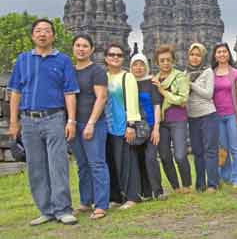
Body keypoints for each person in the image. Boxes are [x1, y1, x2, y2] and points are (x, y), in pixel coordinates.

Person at [8, 19, 79, 225]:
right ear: (32, 36)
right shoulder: (23, 60)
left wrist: (71, 120)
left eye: (47, 31)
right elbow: (15, 92)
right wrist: (14, 122)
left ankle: (63, 209)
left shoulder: (63, 60)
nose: (42, 34)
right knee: (36, 166)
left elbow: (69, 93)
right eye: (38, 31)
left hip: (55, 117)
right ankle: (46, 210)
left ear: (53, 36)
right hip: (28, 119)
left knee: (58, 164)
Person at [71, 34, 110, 220]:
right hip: (74, 123)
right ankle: (86, 201)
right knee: (82, 165)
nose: (81, 49)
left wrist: (91, 123)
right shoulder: (70, 71)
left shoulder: (97, 71)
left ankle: (101, 204)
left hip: (94, 123)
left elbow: (101, 98)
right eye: (78, 45)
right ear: (73, 48)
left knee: (97, 164)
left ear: (92, 50)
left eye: (85, 46)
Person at [105, 43, 143, 209]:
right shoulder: (103, 77)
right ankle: (116, 196)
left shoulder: (127, 77)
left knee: (128, 161)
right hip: (107, 125)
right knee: (111, 162)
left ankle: (132, 196)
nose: (115, 57)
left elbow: (132, 102)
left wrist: (131, 125)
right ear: (106, 58)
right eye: (112, 55)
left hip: (123, 125)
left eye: (119, 55)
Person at [152, 45, 192, 193]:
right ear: (157, 62)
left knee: (180, 155)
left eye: (168, 60)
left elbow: (183, 99)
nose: (166, 63)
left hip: (178, 119)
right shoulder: (154, 80)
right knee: (164, 155)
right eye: (162, 60)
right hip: (161, 122)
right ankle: (176, 187)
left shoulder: (180, 77)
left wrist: (162, 91)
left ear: (173, 60)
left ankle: (187, 185)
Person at [130, 53, 166, 200]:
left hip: (151, 125)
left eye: (141, 64)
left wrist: (156, 128)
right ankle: (146, 192)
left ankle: (158, 191)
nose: (138, 68)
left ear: (146, 66)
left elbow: (157, 105)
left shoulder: (151, 82)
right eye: (135, 64)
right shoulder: (129, 81)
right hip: (135, 127)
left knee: (151, 157)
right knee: (138, 159)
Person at [185, 43, 220, 193]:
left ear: (203, 56)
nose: (194, 58)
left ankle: (213, 184)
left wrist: (191, 85)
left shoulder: (208, 72)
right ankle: (200, 184)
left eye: (198, 55)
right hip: (192, 116)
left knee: (210, 150)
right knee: (197, 151)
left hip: (208, 115)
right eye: (192, 54)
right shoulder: (185, 73)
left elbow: (208, 94)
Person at [211, 42, 237, 188]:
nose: (222, 54)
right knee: (223, 148)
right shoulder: (211, 73)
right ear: (215, 55)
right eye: (219, 52)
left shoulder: (236, 73)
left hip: (232, 114)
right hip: (217, 115)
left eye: (224, 51)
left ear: (228, 54)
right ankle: (227, 176)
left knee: (235, 147)